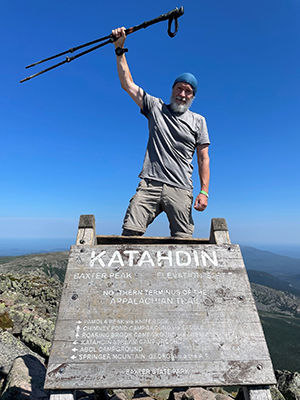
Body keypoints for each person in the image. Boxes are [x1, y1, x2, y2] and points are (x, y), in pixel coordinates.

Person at [112, 27, 210, 238]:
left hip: (181, 187)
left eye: (188, 91)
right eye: (179, 89)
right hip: (150, 183)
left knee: (184, 242)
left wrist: (204, 191)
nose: (183, 94)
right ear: (172, 89)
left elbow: (203, 159)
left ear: (193, 96)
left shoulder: (199, 121)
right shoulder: (155, 107)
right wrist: (120, 50)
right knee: (129, 234)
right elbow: (127, 84)